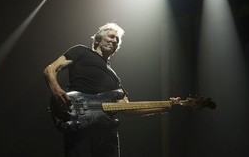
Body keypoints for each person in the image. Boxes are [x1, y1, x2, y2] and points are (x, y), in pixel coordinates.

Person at [44, 23, 179, 157]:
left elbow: (127, 109)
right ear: (98, 39)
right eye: (111, 36)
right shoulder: (81, 51)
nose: (114, 41)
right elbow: (50, 69)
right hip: (79, 124)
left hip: (107, 135)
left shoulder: (114, 78)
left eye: (117, 40)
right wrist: (56, 90)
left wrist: (167, 106)